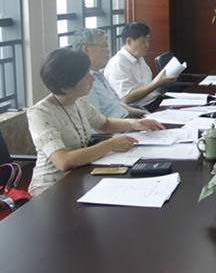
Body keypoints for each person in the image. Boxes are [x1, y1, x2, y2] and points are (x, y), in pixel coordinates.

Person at [27, 48, 165, 196]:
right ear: (65, 88)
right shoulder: (40, 113)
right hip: (50, 188)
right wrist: (110, 145)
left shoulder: (79, 101)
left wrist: (134, 123)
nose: (92, 80)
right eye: (86, 77)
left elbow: (105, 124)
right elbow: (63, 161)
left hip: (79, 175)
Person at [72, 28, 147, 119]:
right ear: (86, 49)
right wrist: (133, 123)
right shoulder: (84, 83)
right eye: (104, 46)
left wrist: (143, 113)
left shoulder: (99, 75)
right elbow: (97, 123)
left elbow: (117, 105)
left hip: (127, 119)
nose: (108, 50)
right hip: (118, 125)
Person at [104, 22, 177, 112]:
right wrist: (157, 84)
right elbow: (126, 98)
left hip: (156, 100)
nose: (147, 45)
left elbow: (147, 86)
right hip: (142, 109)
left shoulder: (139, 57)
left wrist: (162, 83)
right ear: (129, 41)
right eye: (143, 41)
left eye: (148, 41)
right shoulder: (118, 64)